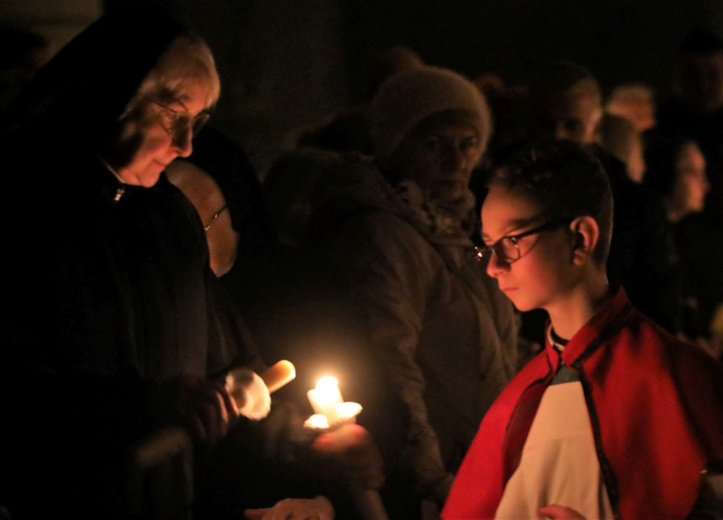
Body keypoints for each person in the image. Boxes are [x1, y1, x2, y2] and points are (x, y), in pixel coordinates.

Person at [0, 5, 379, 519]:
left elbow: (230, 375)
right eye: (175, 116)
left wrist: (304, 441)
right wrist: (138, 408)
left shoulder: (167, 219)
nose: (185, 146)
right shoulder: (21, 208)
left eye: (198, 122)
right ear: (114, 93)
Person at [441, 138, 723, 520]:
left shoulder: (677, 380)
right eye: (488, 245)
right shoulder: (519, 398)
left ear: (580, 239)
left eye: (510, 241)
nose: (493, 266)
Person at [302, 65, 524, 519]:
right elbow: (393, 365)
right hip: (435, 485)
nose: (455, 161)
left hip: (483, 467)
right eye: (434, 145)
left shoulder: (464, 232)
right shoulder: (384, 238)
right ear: (397, 146)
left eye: (467, 144)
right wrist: (433, 481)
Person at [165, 126, 399, 519]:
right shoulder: (164, 308)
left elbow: (379, 402)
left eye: (198, 225)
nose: (182, 244)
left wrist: (349, 470)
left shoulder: (306, 289)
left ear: (235, 210)